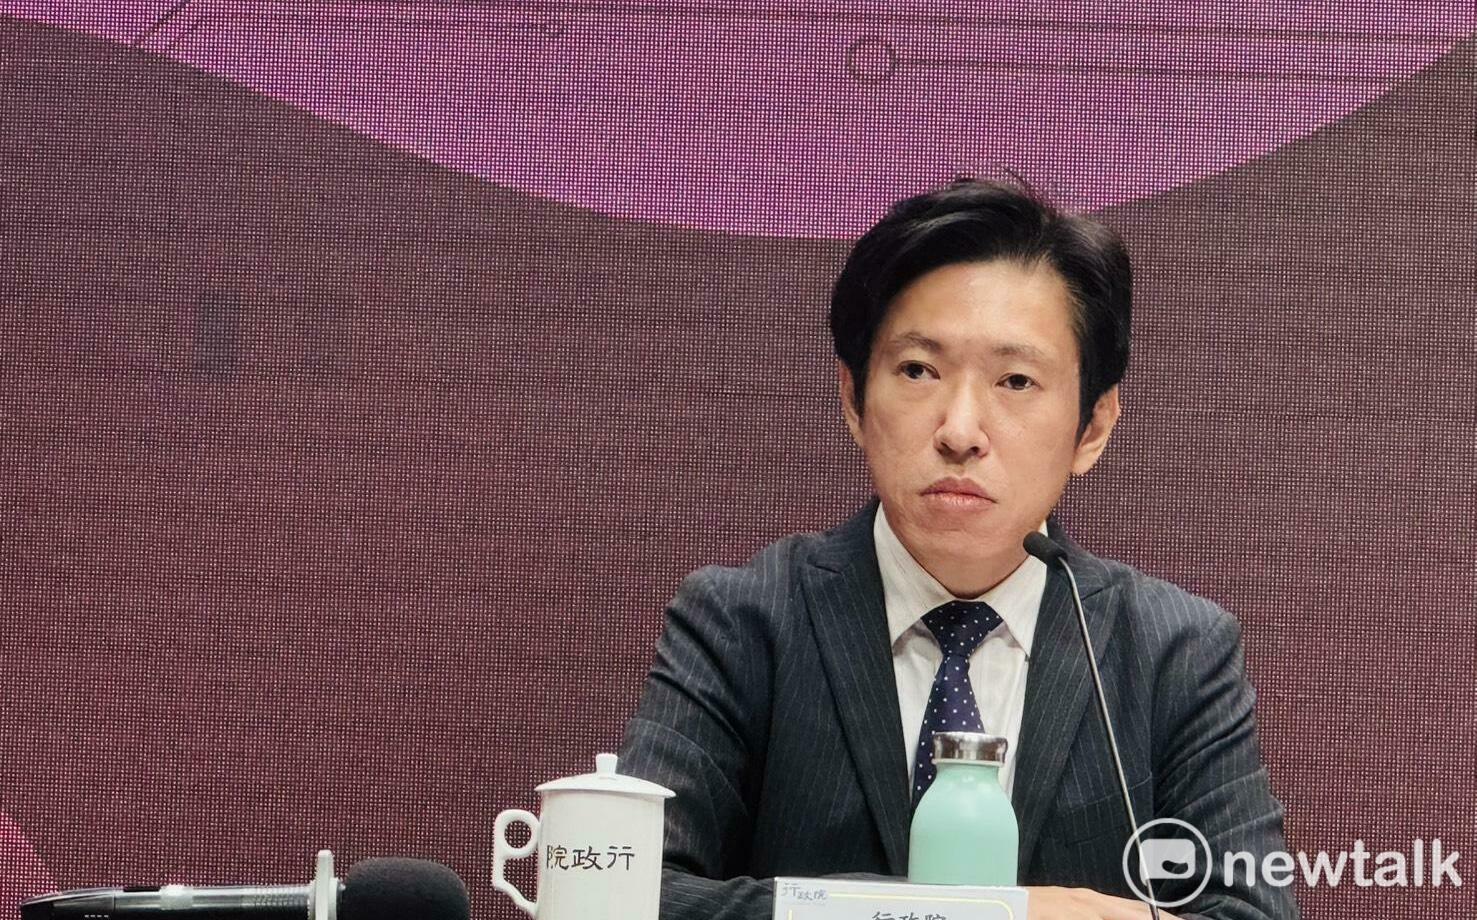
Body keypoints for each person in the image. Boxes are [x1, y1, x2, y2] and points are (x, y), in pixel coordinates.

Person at [618, 179, 1295, 920]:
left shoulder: (1174, 651)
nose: (961, 430)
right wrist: (993, 915)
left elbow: (1250, 912)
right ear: (853, 399)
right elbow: (626, 894)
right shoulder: (744, 621)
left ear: (1093, 427)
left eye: (1015, 380)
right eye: (918, 370)